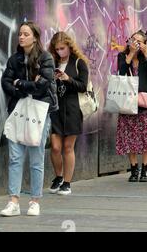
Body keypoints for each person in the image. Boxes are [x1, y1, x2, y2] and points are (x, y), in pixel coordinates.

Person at [0, 21, 58, 217]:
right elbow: (5, 82)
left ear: (35, 37)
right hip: (17, 111)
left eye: (25, 34)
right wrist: (24, 85)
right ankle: (13, 201)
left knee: (36, 158)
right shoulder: (14, 59)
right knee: (15, 158)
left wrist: (19, 83)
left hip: (39, 113)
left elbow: (42, 85)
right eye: (20, 34)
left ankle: (35, 200)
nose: (21, 37)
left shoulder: (46, 58)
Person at [116, 30, 147, 182]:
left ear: (145, 43)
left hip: (145, 101)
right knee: (130, 136)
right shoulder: (122, 56)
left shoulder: (146, 57)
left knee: (146, 136)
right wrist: (130, 54)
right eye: (132, 39)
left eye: (139, 41)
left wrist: (146, 52)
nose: (135, 43)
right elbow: (121, 73)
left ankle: (146, 169)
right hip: (128, 101)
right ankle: (134, 168)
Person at [48, 32, 89, 195]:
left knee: (67, 146)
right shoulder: (52, 63)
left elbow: (83, 86)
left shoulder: (79, 62)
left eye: (62, 48)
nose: (60, 52)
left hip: (72, 109)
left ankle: (67, 182)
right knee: (56, 147)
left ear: (69, 47)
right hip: (56, 109)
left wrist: (67, 78)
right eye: (56, 49)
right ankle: (58, 176)